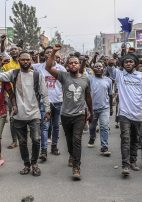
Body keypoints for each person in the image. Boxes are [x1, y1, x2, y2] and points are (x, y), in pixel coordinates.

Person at [0, 51, 50, 177]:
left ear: (31, 61)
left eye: (28, 60)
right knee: (22, 143)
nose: (25, 62)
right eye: (23, 60)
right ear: (18, 60)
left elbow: (45, 94)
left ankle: (34, 164)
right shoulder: (14, 73)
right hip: (18, 115)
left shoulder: (37, 75)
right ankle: (26, 165)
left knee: (36, 140)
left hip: (34, 114)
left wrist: (47, 110)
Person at [46, 44, 93, 180]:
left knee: (77, 139)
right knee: (69, 141)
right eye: (71, 63)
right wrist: (54, 51)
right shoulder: (64, 76)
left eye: (76, 63)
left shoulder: (85, 79)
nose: (73, 65)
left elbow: (88, 96)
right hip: (65, 115)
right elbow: (48, 67)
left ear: (79, 65)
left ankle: (76, 166)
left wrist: (91, 112)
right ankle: (72, 155)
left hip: (79, 114)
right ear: (67, 65)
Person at [32, 46, 66, 161]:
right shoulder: (38, 67)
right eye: (47, 52)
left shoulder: (61, 68)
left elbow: (65, 84)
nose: (50, 54)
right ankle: (43, 150)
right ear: (44, 55)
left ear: (56, 55)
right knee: (44, 126)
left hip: (58, 101)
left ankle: (54, 146)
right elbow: (24, 65)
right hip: (44, 102)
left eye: (52, 52)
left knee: (56, 126)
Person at [87, 62, 113, 157]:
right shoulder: (89, 79)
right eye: (96, 66)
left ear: (103, 69)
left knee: (104, 127)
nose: (98, 68)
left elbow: (110, 95)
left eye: (100, 66)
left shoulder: (108, 80)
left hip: (104, 108)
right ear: (93, 69)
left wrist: (111, 108)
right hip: (92, 108)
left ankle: (104, 147)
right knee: (92, 127)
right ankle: (92, 137)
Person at [0, 34, 21, 149]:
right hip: (11, 95)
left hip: (24, 95)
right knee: (13, 118)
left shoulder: (24, 61)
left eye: (15, 49)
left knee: (23, 117)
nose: (13, 51)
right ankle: (14, 141)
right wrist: (2, 41)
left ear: (19, 51)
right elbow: (2, 50)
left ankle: (23, 137)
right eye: (11, 49)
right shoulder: (7, 61)